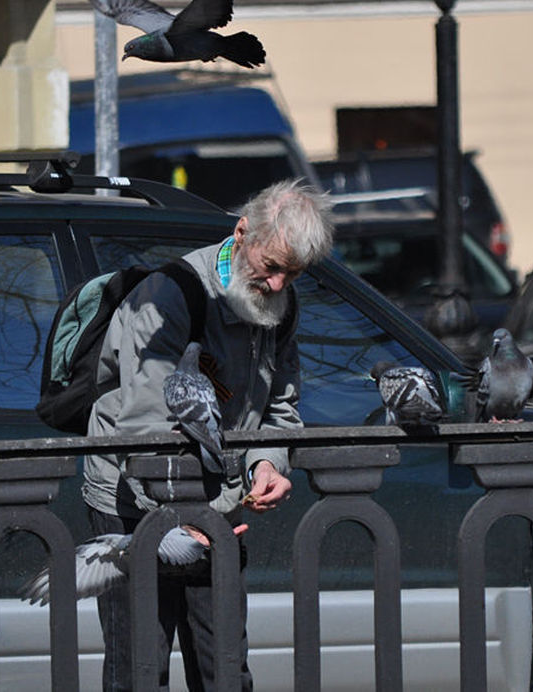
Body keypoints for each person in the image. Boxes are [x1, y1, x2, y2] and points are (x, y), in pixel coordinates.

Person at [82, 178, 334, 692]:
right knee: (139, 670)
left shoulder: (278, 307)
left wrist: (268, 464)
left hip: (216, 504)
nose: (281, 285)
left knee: (223, 669)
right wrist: (183, 520)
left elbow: (279, 409)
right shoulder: (167, 297)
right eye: (273, 267)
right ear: (243, 232)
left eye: (295, 273)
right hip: (133, 502)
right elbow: (144, 431)